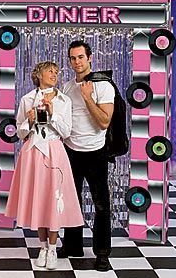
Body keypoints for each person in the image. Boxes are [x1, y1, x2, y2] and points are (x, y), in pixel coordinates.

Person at [5, 61, 84, 270]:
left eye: (56, 71)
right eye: (49, 71)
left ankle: (52, 248)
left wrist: (53, 113)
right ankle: (42, 246)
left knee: (53, 197)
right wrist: (29, 122)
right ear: (38, 74)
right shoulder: (26, 99)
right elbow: (20, 134)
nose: (54, 74)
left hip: (54, 150)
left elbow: (66, 132)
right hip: (32, 152)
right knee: (38, 197)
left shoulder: (63, 100)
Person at [58, 41, 115, 272]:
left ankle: (102, 254)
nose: (77, 62)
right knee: (72, 202)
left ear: (90, 58)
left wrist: (88, 97)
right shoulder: (67, 86)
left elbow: (103, 122)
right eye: (73, 58)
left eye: (81, 57)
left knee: (101, 205)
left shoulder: (103, 86)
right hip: (71, 151)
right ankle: (73, 245)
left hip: (95, 153)